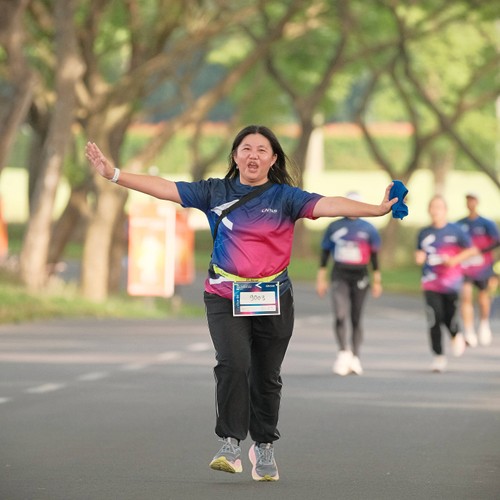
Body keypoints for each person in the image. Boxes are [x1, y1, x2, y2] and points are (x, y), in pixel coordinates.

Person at [85, 125, 397, 481]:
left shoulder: (286, 197)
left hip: (273, 297)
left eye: (262, 150)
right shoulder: (215, 191)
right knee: (233, 363)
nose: (253, 156)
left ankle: (264, 446)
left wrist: (376, 210)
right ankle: (231, 444)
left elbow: (329, 204)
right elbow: (166, 188)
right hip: (224, 295)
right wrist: (114, 174)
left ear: (273, 159)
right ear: (235, 155)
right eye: (246, 148)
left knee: (267, 375)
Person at [315, 192, 382, 376]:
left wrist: (377, 280)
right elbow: (324, 254)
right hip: (340, 274)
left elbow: (375, 256)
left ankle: (355, 356)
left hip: (360, 275)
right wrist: (321, 278)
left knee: (356, 317)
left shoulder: (368, 228)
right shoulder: (334, 226)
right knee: (340, 314)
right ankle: (343, 352)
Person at [415, 195, 476, 373]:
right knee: (434, 318)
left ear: (445, 210)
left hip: (451, 283)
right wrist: (419, 258)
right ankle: (438, 356)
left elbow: (471, 250)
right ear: (429, 210)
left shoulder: (456, 230)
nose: (435, 211)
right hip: (430, 282)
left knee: (449, 317)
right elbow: (419, 254)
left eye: (439, 207)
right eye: (432, 207)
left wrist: (454, 259)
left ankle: (456, 334)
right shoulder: (424, 232)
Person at [457, 192, 500, 347]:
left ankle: (483, 324)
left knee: (483, 298)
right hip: (466, 267)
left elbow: (497, 241)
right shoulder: (460, 224)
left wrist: (480, 251)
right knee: (466, 296)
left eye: (473, 200)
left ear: (477, 202)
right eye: (468, 201)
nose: (470, 203)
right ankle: (469, 331)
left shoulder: (486, 223)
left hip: (483, 268)